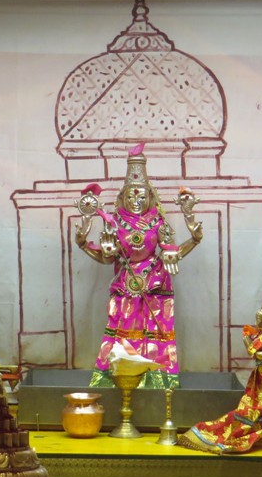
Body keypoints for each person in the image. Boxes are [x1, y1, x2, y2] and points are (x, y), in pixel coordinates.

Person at [74, 145, 202, 388]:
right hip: (125, 284)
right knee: (122, 330)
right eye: (131, 196)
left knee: (156, 332)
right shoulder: (115, 223)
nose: (136, 201)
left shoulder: (158, 221)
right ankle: (121, 379)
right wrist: (83, 244)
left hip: (156, 283)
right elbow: (107, 258)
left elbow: (172, 253)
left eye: (141, 196)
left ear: (150, 197)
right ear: (123, 197)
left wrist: (194, 239)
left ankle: (157, 380)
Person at [179, 294, 262, 454]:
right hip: (260, 371)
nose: (257, 320)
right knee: (256, 399)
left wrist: (250, 347)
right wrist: (250, 343)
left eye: (260, 316)